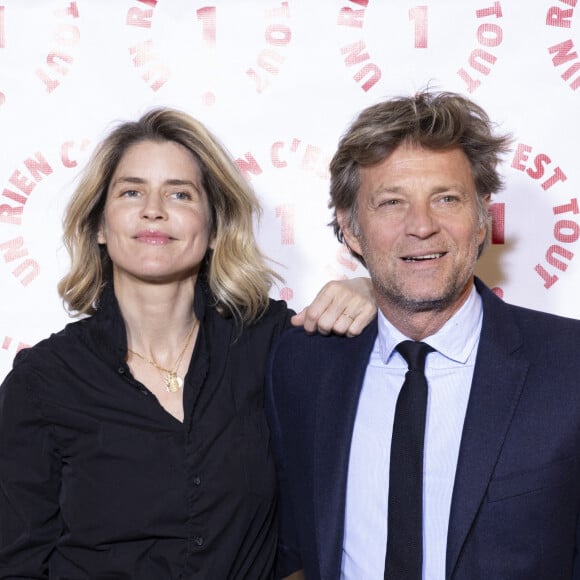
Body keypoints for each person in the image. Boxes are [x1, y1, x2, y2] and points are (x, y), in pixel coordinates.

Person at [0, 108, 377, 579]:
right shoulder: (44, 381)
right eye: (131, 191)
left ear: (216, 229)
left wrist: (374, 291)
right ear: (99, 225)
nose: (153, 209)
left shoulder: (273, 344)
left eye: (179, 193)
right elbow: (16, 561)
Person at [266, 89, 580, 579]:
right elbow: (292, 548)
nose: (421, 226)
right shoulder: (303, 364)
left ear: (481, 221)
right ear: (350, 229)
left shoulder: (569, 365)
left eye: (446, 199)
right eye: (392, 202)